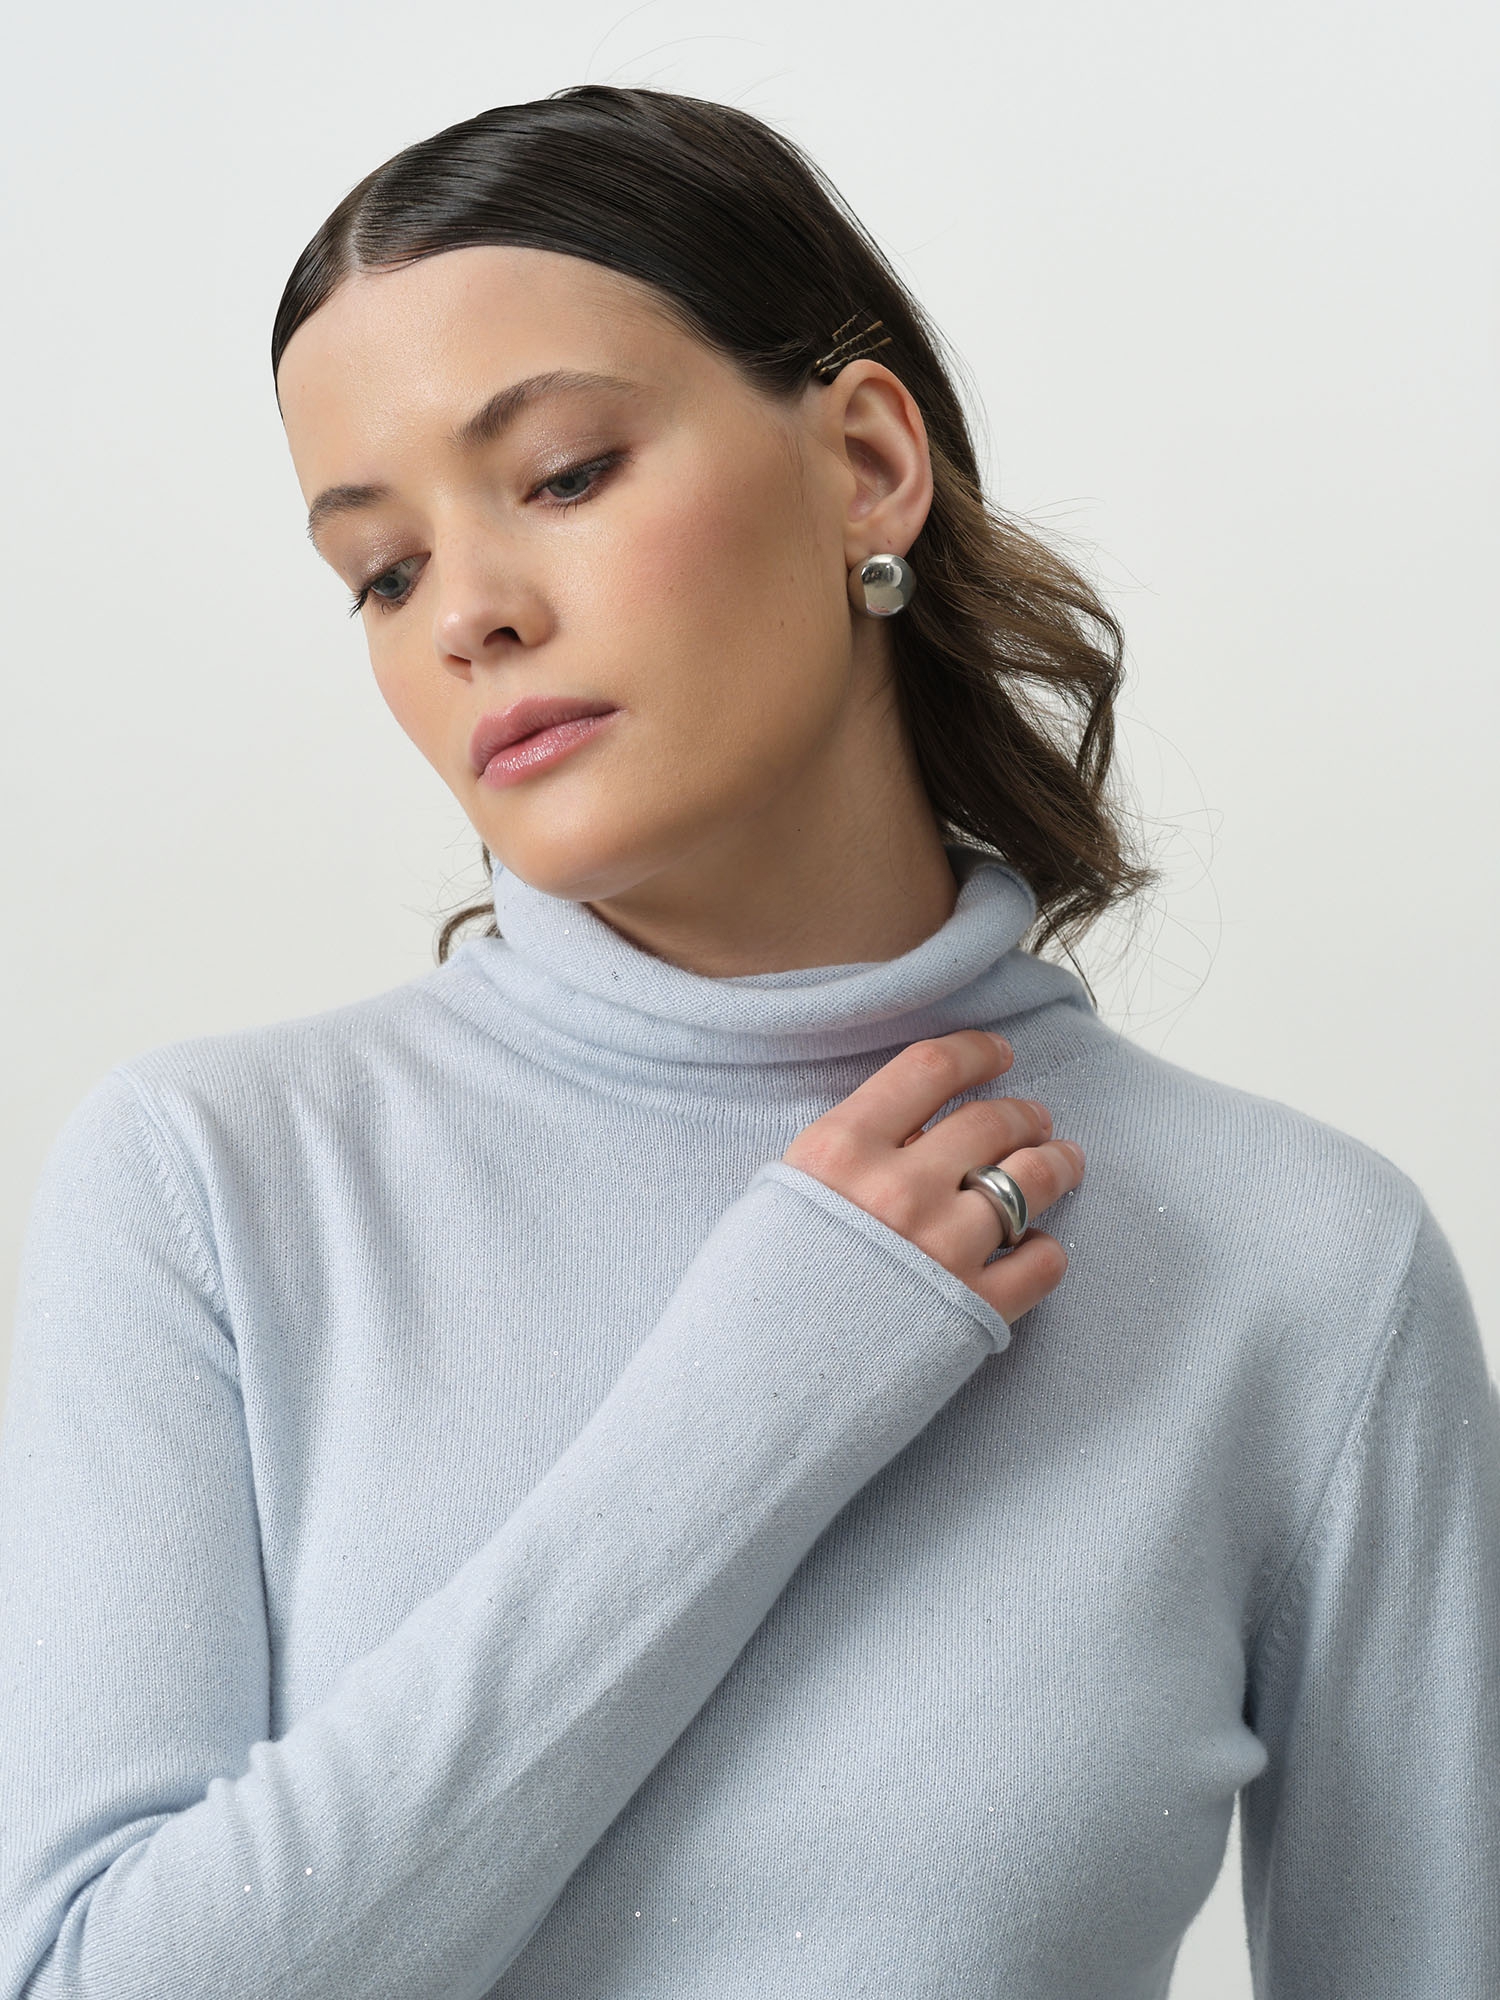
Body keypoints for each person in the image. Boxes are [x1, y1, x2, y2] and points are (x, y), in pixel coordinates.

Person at [1, 83, 1494, 2000]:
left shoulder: (1304, 1265)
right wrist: (763, 1396)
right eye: (381, 569)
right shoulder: (214, 1185)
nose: (468, 615)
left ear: (866, 463)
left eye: (562, 475)